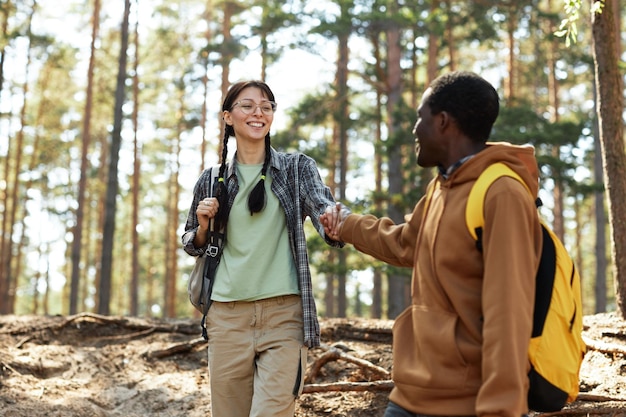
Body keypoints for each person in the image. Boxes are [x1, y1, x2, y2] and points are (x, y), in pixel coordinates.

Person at [321, 71, 543, 417]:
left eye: (420, 117)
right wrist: (347, 225)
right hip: (412, 393)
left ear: (442, 122)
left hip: (467, 402)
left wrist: (502, 408)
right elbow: (404, 243)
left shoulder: (503, 193)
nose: (414, 130)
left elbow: (509, 310)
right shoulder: (441, 188)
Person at [182, 80, 343, 417]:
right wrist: (204, 226)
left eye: (266, 106)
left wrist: (336, 223)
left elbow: (324, 210)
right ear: (228, 117)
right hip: (227, 317)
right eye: (247, 105)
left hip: (283, 317)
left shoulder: (297, 169)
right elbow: (192, 244)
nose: (258, 112)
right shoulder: (212, 179)